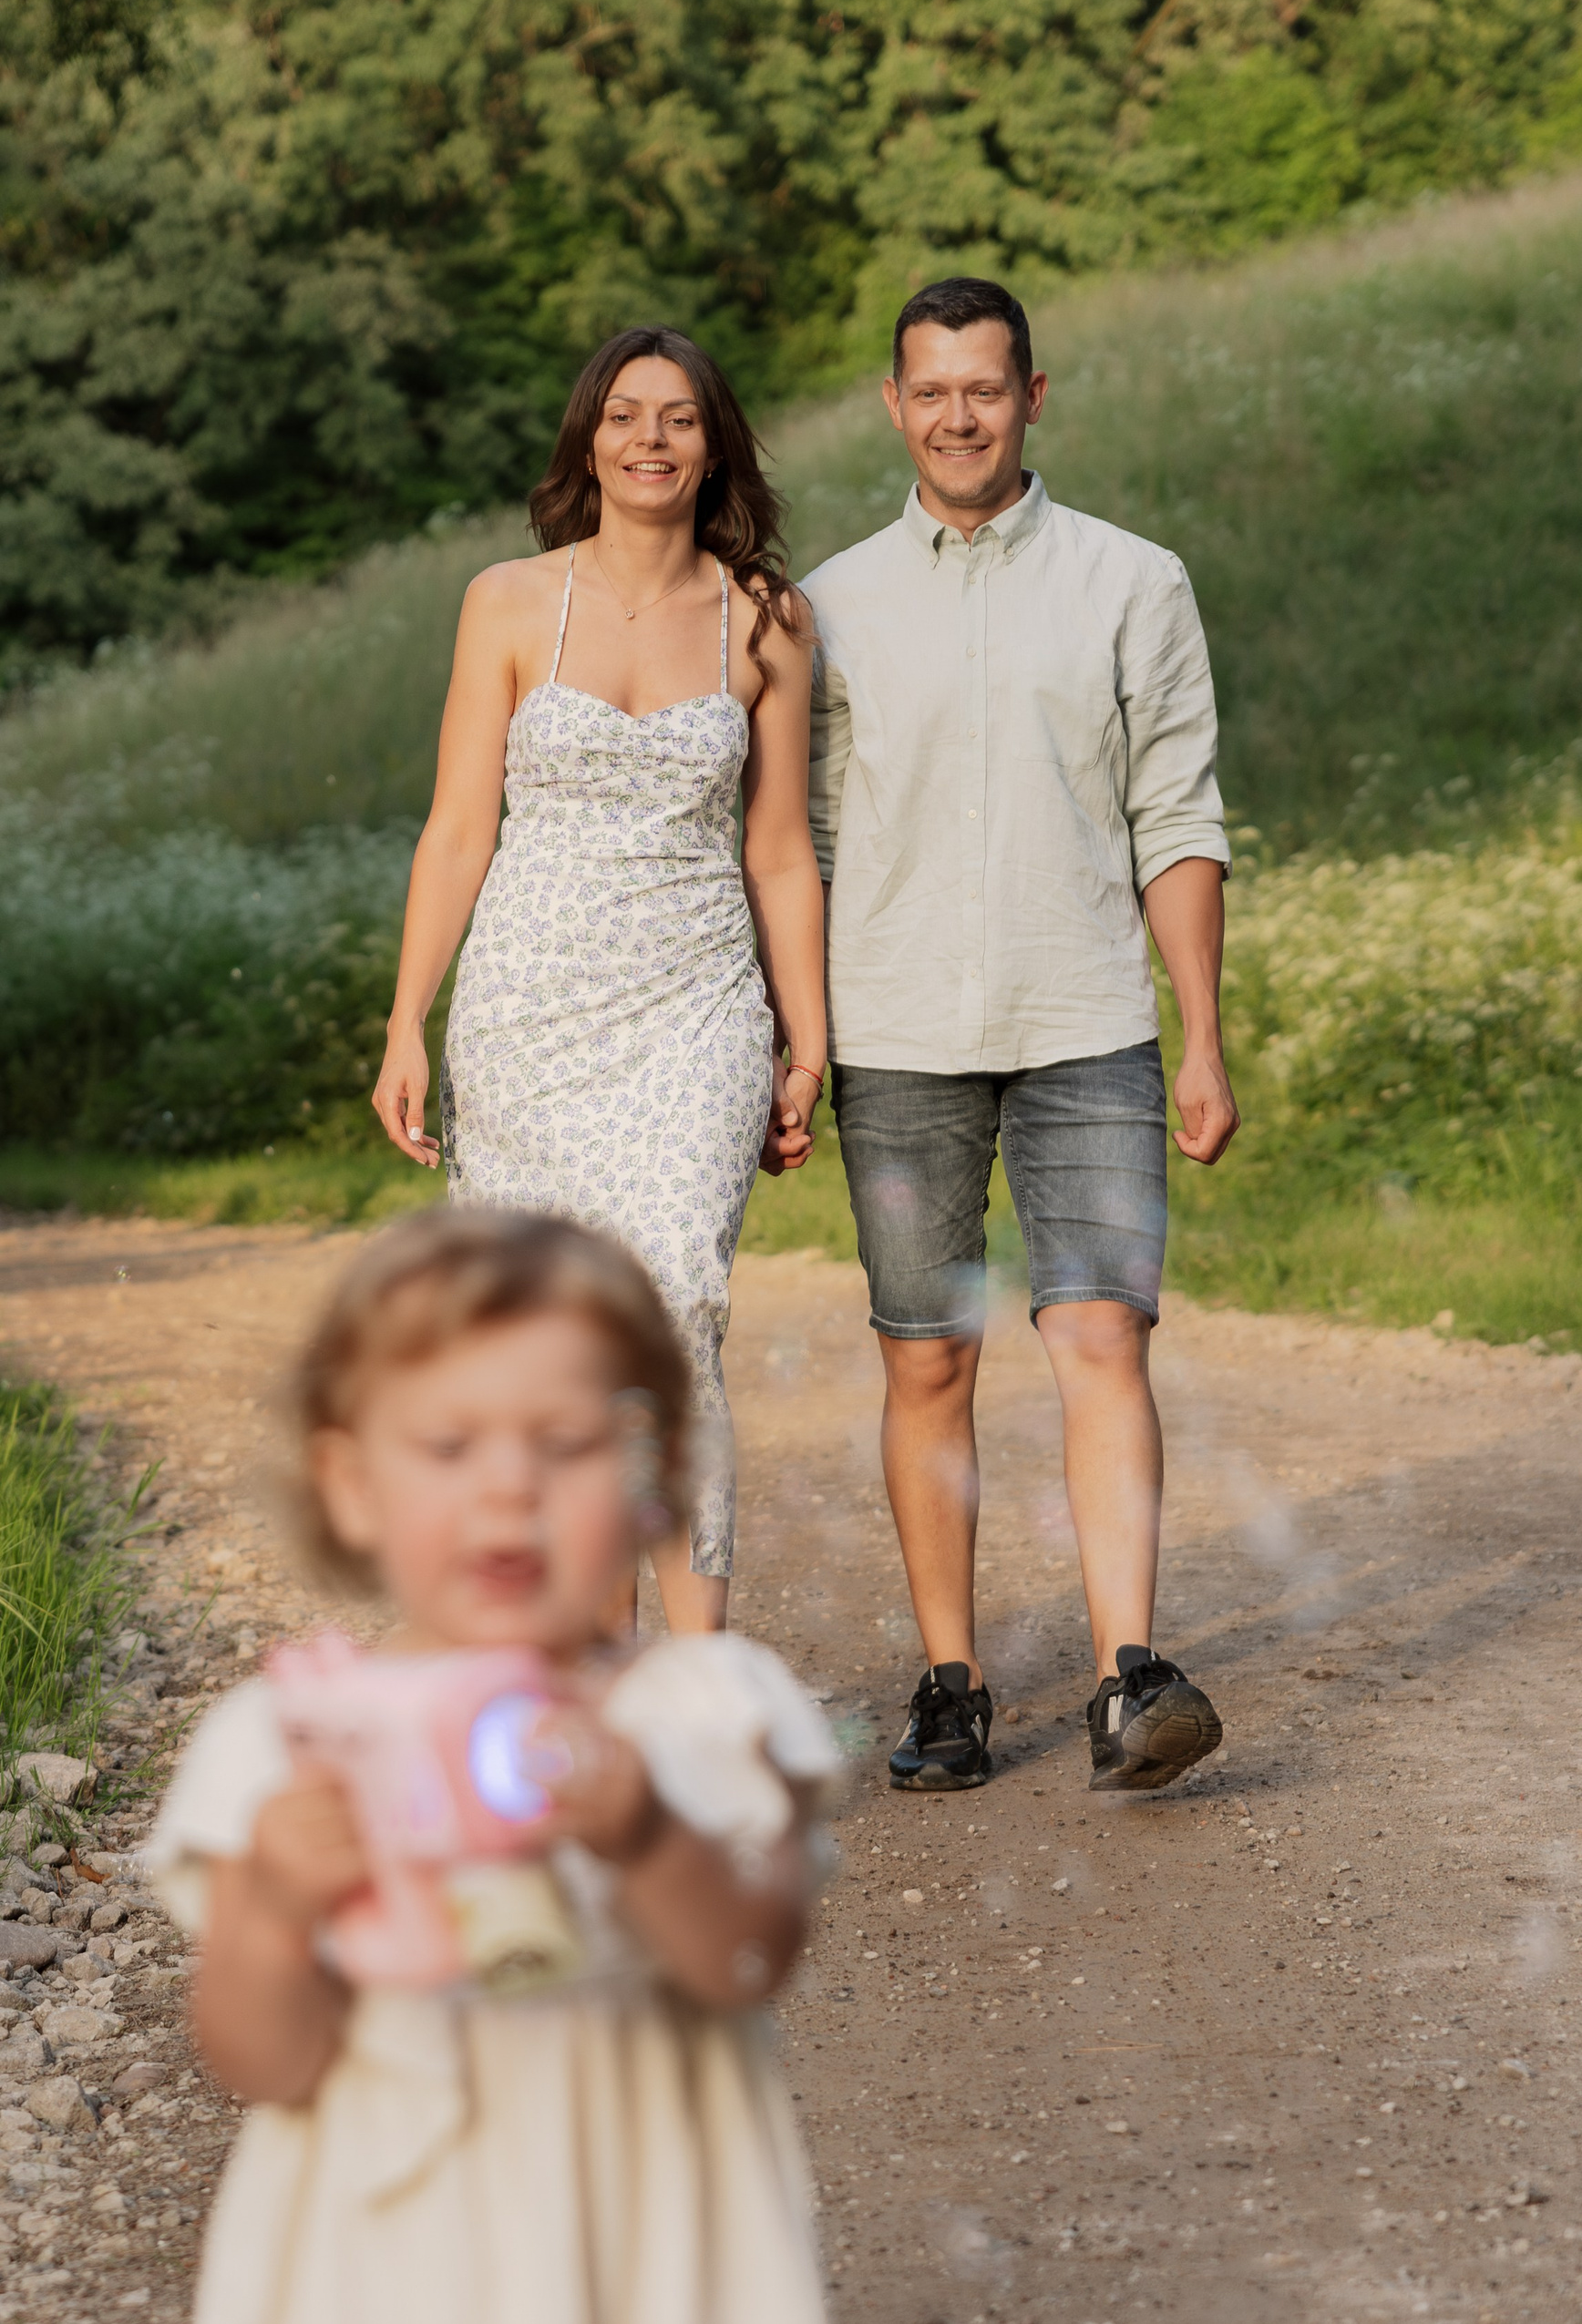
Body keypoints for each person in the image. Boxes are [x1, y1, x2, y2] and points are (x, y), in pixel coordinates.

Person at [149, 1208, 841, 2324]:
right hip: (386, 2264)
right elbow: (262, 2064)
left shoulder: (695, 1712)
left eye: (565, 1445)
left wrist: (651, 1839)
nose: (508, 1488)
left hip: (646, 2250)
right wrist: (274, 1909)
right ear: (351, 1485)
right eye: (448, 1446)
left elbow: (747, 1963)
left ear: (652, 1474)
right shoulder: (298, 1740)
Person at [802, 275, 1238, 1795]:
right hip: (899, 1032)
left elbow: (1179, 814)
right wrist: (801, 1044)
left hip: (1089, 1023)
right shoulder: (830, 602)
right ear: (895, 404)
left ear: (1033, 397)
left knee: (1100, 1333)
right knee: (927, 1362)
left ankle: (1132, 1675)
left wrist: (1201, 1034)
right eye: (931, 388)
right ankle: (950, 1681)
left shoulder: (1134, 580)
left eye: (986, 386)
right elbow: (803, 844)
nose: (959, 413)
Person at [369, 326, 825, 1636]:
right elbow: (459, 826)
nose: (650, 440)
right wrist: (408, 1017)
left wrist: (808, 1043)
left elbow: (781, 850)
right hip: (527, 1012)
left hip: (694, 1009)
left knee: (677, 1296)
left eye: (679, 419)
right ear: (588, 438)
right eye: (625, 416)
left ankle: (696, 1688)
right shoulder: (508, 602)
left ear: (713, 443)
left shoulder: (768, 623)